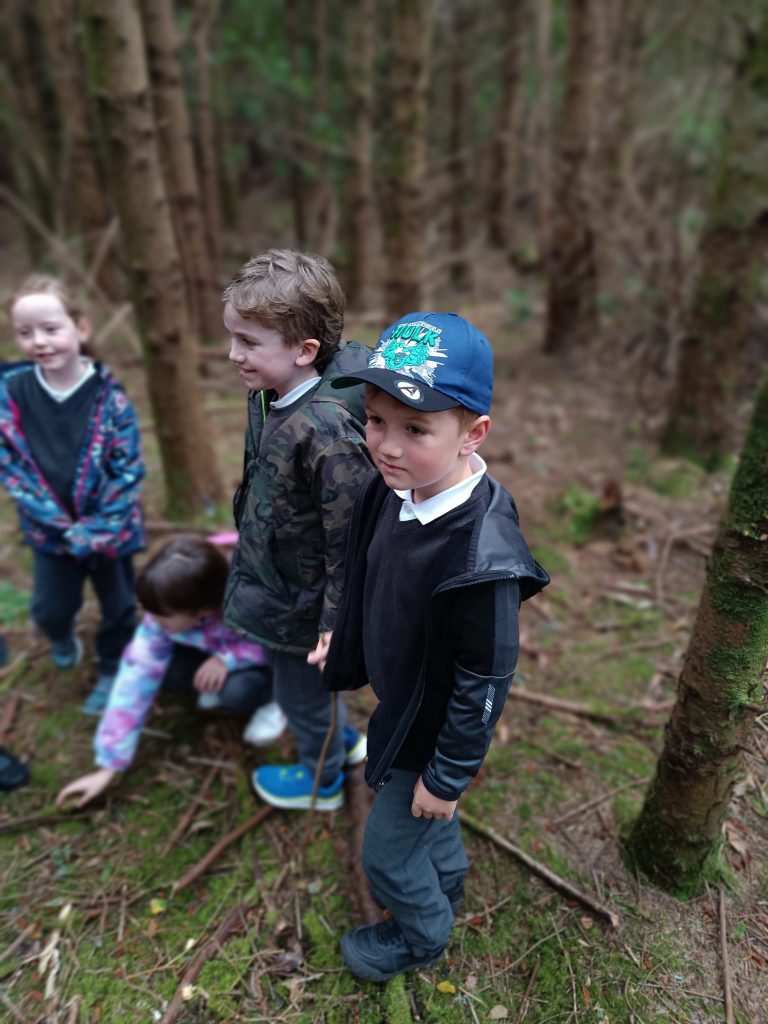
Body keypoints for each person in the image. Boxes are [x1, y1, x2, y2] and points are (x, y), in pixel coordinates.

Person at [323, 312, 550, 981]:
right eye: (376, 420)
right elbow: (368, 572)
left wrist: (447, 776)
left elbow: (485, 682)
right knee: (426, 816)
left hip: (429, 730)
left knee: (387, 855)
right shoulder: (397, 489)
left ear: (472, 433)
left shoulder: (482, 562)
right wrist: (342, 634)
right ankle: (447, 876)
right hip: (402, 702)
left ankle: (422, 933)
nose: (386, 446)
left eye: (415, 429)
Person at [223, 249, 374, 811]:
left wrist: (333, 625)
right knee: (306, 694)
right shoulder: (273, 392)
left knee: (300, 697)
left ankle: (322, 780)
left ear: (305, 350)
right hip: (283, 583)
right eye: (233, 337)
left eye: (248, 342)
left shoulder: (326, 432)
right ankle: (343, 741)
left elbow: (349, 542)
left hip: (308, 607)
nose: (233, 354)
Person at [0, 275, 145, 715]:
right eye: (25, 333)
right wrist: (63, 528)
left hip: (110, 532)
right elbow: (12, 466)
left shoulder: (109, 397)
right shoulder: (12, 394)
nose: (39, 341)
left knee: (119, 607)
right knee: (49, 608)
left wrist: (97, 529)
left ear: (80, 328)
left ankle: (111, 667)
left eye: (50, 328)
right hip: (50, 534)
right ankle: (61, 635)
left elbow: (127, 469)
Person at [56, 537, 281, 808]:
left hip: (264, 657)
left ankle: (275, 700)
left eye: (162, 616)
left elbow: (276, 645)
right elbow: (134, 678)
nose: (153, 620)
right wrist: (108, 767)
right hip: (208, 643)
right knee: (162, 670)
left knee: (238, 692)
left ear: (202, 611)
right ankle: (213, 682)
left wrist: (227, 660)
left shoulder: (255, 600)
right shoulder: (168, 608)